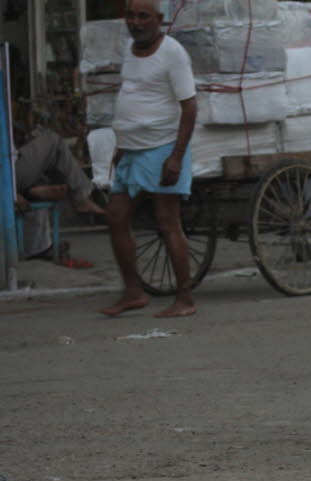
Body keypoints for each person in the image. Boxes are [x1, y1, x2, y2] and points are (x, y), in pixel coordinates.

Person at [99, 0, 197, 318]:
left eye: (143, 16)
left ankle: (185, 298)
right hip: (132, 150)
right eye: (130, 15)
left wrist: (176, 157)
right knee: (116, 215)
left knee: (168, 223)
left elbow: (189, 107)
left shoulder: (173, 53)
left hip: (162, 148)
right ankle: (133, 291)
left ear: (159, 20)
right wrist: (121, 144)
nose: (136, 22)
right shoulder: (130, 49)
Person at [13, 127, 105, 263]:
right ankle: (80, 198)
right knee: (53, 141)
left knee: (48, 166)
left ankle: (39, 246)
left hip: (11, 170)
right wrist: (10, 191)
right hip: (7, 174)